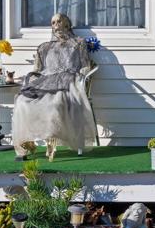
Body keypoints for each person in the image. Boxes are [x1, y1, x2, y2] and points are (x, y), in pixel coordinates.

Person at [11, 13, 96, 160]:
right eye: (53, 22)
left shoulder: (79, 43)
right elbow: (37, 70)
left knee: (55, 103)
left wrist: (80, 78)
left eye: (59, 21)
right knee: (22, 101)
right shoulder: (44, 47)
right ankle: (25, 144)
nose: (56, 25)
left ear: (67, 24)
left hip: (68, 81)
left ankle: (51, 141)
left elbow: (85, 65)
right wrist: (27, 78)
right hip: (46, 81)